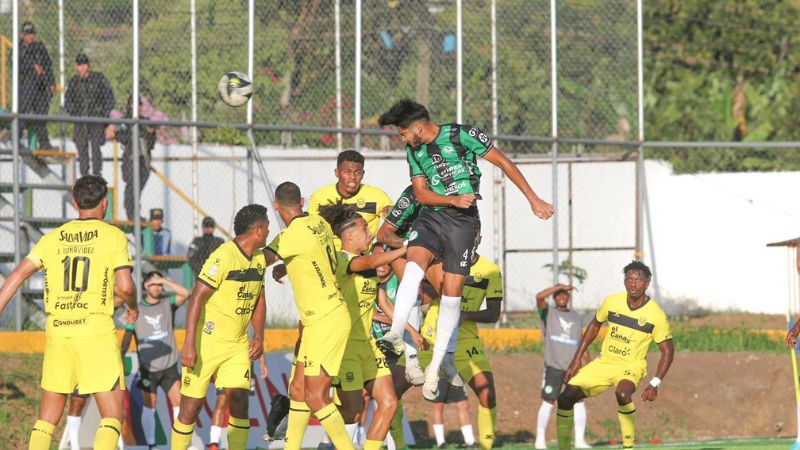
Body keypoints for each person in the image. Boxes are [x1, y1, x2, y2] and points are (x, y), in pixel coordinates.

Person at [377, 99, 554, 400]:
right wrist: (450, 200)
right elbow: (421, 193)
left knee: (451, 295)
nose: (402, 139)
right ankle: (395, 334)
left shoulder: (462, 135)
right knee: (413, 267)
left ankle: (436, 367)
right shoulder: (414, 150)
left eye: (403, 133)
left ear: (418, 127)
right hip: (432, 215)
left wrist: (533, 199)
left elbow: (504, 163)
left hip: (463, 223)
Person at [0, 175, 136, 450]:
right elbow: (125, 285)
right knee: (111, 415)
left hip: (59, 330)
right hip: (95, 331)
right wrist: (131, 305)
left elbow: (17, 275)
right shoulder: (113, 236)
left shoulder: (53, 238)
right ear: (105, 204)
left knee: (47, 419)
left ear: (74, 203)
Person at [264, 181, 355, 450]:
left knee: (316, 396)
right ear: (301, 202)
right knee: (299, 391)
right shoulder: (320, 224)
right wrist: (287, 267)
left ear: (276, 206)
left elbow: (261, 259)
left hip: (325, 319)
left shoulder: (289, 236)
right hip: (322, 318)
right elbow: (317, 258)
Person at [170, 204, 270, 450]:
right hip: (207, 343)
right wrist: (189, 344)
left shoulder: (258, 259)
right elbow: (196, 298)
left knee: (239, 401)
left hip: (237, 345)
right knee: (190, 408)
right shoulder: (224, 255)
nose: (269, 232)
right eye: (267, 227)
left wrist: (259, 335)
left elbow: (259, 299)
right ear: (258, 230)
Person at [315, 202, 408, 450]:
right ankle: (307, 421)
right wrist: (405, 248)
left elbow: (384, 303)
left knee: (389, 403)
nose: (370, 233)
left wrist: (414, 332)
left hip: (369, 346)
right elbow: (369, 263)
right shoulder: (345, 260)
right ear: (349, 235)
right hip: (345, 348)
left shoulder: (366, 266)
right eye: (365, 228)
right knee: (353, 412)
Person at [556, 261, 674, 450]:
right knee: (565, 397)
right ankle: (563, 447)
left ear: (647, 283)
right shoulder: (612, 302)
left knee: (622, 393)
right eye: (629, 279)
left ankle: (628, 446)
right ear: (624, 281)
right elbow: (595, 325)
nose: (633, 283)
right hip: (604, 363)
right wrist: (575, 360)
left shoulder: (656, 315)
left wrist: (655, 383)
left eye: (638, 279)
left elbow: (667, 351)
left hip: (631, 365)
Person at [419, 238, 502, 450]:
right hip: (431, 338)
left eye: (473, 234)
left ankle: (485, 446)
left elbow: (494, 314)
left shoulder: (490, 270)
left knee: (487, 394)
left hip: (466, 342)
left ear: (480, 238)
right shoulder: (440, 261)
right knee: (391, 392)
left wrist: (466, 315)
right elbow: (424, 297)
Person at [119, 271, 189, 450]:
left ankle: (180, 444)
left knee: (179, 404)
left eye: (159, 284)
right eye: (153, 283)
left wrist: (165, 280)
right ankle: (151, 445)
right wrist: (120, 356)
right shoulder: (136, 309)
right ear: (145, 286)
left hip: (169, 365)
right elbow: (127, 336)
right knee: (150, 406)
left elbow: (186, 293)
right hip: (148, 368)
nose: (157, 287)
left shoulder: (168, 304)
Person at [534, 284, 591, 449]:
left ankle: (580, 440)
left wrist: (589, 363)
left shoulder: (575, 316)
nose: (561, 296)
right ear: (553, 297)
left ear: (568, 297)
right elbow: (539, 297)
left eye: (564, 294)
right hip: (553, 365)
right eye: (558, 294)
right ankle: (540, 440)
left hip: (573, 367)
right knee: (548, 402)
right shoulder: (548, 313)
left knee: (579, 402)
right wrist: (558, 286)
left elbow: (580, 343)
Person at [308, 150, 393, 242]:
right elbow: (311, 229)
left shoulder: (377, 196)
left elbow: (395, 219)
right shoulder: (320, 196)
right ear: (337, 173)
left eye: (357, 172)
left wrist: (379, 245)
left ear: (363, 174)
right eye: (347, 171)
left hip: (362, 255)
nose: (353, 177)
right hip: (329, 254)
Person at [65, 53, 115, 177]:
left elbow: (109, 98)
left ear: (88, 65)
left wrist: (104, 117)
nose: (82, 68)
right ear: (76, 66)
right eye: (79, 65)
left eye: (84, 65)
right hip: (80, 119)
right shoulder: (74, 82)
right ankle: (84, 174)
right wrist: (75, 113)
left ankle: (97, 174)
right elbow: (68, 102)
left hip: (96, 117)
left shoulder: (98, 78)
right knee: (82, 148)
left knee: (95, 147)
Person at [117, 95, 158, 221]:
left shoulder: (145, 121)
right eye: (134, 104)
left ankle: (135, 211)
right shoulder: (126, 121)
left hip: (143, 158)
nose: (137, 107)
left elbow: (151, 143)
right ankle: (131, 212)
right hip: (130, 157)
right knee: (131, 184)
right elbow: (121, 137)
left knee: (139, 185)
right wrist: (133, 137)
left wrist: (151, 133)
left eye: (139, 105)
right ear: (129, 105)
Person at [17, 21, 54, 150]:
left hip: (41, 86)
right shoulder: (18, 47)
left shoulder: (39, 46)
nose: (30, 36)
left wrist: (51, 82)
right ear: (22, 34)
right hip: (26, 85)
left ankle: (44, 143)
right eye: (27, 34)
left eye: (32, 33)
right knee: (23, 113)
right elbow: (15, 63)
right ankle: (16, 138)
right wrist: (32, 67)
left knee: (41, 115)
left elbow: (48, 65)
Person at [430, 376, 475, 449]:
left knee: (464, 405)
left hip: (455, 374)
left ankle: (470, 442)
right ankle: (441, 442)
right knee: (438, 406)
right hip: (438, 374)